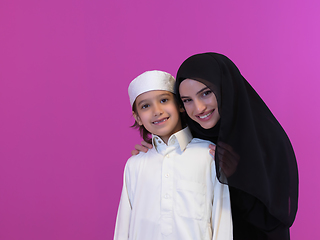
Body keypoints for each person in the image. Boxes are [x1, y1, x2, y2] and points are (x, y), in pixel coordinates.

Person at [132, 53, 299, 240]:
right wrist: (157, 153)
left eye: (206, 93)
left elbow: (277, 217)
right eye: (187, 100)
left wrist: (237, 176)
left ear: (225, 88)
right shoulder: (194, 140)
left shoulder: (264, 138)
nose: (199, 108)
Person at [114, 70, 233, 240]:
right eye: (145, 106)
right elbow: (123, 226)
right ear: (138, 117)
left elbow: (222, 221)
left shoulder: (209, 155)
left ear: (179, 105)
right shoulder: (135, 165)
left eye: (164, 100)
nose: (157, 111)